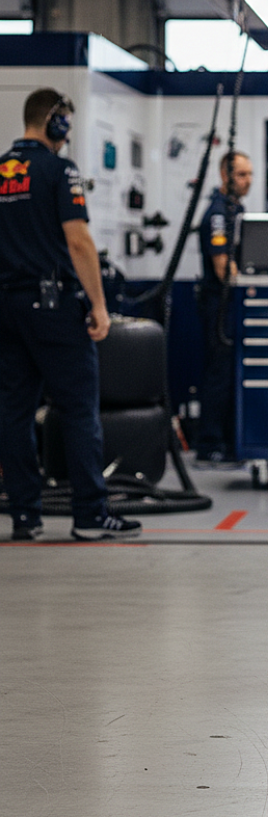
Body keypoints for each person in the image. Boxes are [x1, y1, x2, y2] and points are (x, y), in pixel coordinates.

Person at [0, 88, 141, 541]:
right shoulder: (60, 170)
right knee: (79, 408)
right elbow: (78, 241)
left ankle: (25, 515)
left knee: (14, 414)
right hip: (53, 307)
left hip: (7, 309)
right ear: (55, 123)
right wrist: (99, 305)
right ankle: (89, 515)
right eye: (66, 125)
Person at [195, 149, 253, 464]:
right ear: (225, 175)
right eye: (242, 175)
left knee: (231, 372)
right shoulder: (218, 213)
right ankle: (209, 444)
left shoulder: (236, 210)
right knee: (219, 374)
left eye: (250, 174)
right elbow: (222, 268)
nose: (248, 181)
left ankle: (233, 441)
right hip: (219, 304)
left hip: (231, 305)